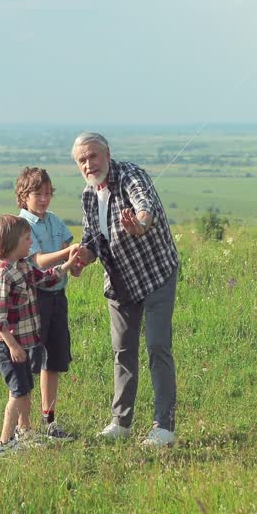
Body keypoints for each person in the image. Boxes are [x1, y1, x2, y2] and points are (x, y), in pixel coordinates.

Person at [70, 132, 180, 448]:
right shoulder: (88, 196)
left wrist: (141, 225)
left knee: (158, 346)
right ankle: (121, 422)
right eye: (82, 160)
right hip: (120, 280)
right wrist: (82, 258)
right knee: (122, 350)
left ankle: (164, 428)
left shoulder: (131, 174)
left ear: (107, 154)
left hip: (156, 273)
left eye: (93, 156)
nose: (89, 164)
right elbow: (93, 240)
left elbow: (145, 206)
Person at [0, 214, 78, 456]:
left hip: (21, 344)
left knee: (26, 388)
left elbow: (44, 280)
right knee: (18, 391)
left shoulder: (24, 267)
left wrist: (66, 266)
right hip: (7, 346)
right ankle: (4, 445)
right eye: (27, 239)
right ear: (13, 243)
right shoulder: (2, 277)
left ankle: (24, 435)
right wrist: (13, 347)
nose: (30, 242)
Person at [14, 167, 78, 442]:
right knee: (30, 362)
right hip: (34, 300)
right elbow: (39, 261)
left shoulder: (53, 220)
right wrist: (70, 254)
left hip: (57, 297)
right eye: (37, 194)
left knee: (53, 360)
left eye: (48, 193)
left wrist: (77, 264)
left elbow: (68, 250)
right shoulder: (21, 227)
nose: (43, 199)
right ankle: (23, 427)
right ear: (23, 196)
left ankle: (49, 421)